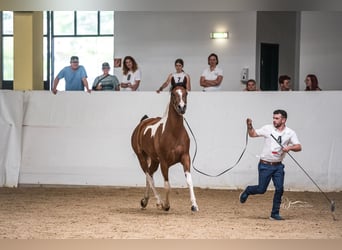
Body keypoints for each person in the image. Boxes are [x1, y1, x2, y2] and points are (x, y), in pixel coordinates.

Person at [239, 109, 302, 220]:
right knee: (261, 189)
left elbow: (298, 147)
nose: (274, 120)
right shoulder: (268, 129)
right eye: (273, 118)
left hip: (278, 166)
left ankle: (274, 213)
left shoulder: (290, 133)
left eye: (277, 118)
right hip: (265, 165)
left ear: (284, 120)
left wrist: (290, 147)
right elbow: (253, 134)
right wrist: (249, 126)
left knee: (279, 189)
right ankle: (248, 190)